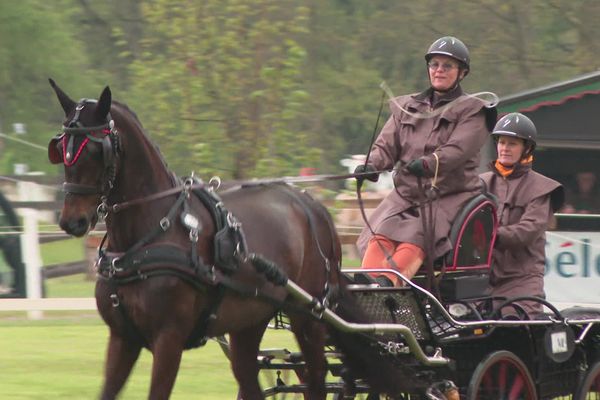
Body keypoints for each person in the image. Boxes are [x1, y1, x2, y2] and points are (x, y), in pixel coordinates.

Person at [355, 36, 496, 287]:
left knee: (415, 234)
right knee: (380, 234)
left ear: (462, 73)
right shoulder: (407, 106)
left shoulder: (474, 110)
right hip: (406, 194)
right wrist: (372, 165)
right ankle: (366, 287)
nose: (439, 70)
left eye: (447, 66)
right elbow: (386, 144)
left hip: (447, 196)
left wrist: (429, 163)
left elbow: (457, 150)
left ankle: (390, 284)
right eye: (434, 64)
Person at [480, 113, 564, 318]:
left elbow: (527, 231)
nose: (505, 148)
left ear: (526, 148)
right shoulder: (480, 183)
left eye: (512, 144)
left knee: (516, 332)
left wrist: (488, 235)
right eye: (501, 142)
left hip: (521, 283)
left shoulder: (542, 188)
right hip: (481, 282)